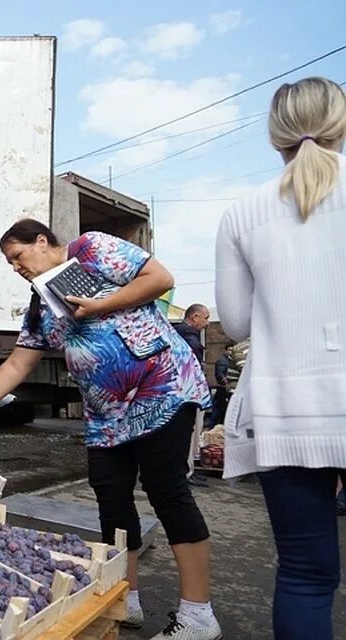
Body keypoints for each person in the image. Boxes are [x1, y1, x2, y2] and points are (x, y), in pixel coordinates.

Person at [0, 220, 220, 640]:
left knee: (167, 492)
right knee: (111, 499)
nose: (15, 267)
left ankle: (199, 616)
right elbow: (19, 362)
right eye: (9, 263)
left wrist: (101, 306)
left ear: (42, 241)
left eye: (18, 256)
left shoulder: (90, 250)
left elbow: (160, 278)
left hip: (161, 390)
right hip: (107, 415)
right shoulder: (40, 304)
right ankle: (125, 597)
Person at [215, 76, 346, 640]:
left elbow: (237, 323)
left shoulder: (242, 214)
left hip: (286, 409)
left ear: (276, 138)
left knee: (306, 575)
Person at [175, 304, 211, 486]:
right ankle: (186, 471)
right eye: (205, 318)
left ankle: (187, 469)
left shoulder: (175, 334)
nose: (207, 323)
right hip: (189, 394)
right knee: (190, 432)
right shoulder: (189, 339)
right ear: (195, 317)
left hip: (180, 394)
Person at [210, 341, 237, 427]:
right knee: (219, 412)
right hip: (223, 390)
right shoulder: (223, 361)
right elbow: (220, 375)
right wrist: (226, 381)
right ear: (226, 350)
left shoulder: (231, 360)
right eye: (229, 350)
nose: (231, 352)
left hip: (227, 389)